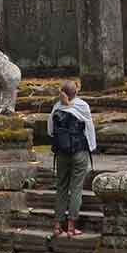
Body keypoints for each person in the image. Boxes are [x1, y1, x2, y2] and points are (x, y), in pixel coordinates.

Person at [47, 79, 96, 238]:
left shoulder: (56, 107)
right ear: (76, 92)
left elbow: (50, 131)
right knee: (76, 188)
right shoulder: (82, 106)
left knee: (61, 187)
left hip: (61, 153)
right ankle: (71, 226)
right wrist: (92, 147)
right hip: (79, 151)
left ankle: (56, 225)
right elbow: (89, 129)